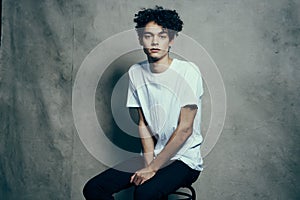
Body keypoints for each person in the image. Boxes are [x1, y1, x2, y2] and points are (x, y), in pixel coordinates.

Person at [83, 5, 204, 200]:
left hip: (184, 160)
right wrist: (149, 164)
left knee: (145, 193)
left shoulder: (188, 72)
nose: (155, 41)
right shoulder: (135, 72)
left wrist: (153, 168)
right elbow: (143, 124)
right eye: (148, 36)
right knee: (94, 188)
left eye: (162, 36)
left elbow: (185, 129)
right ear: (140, 39)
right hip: (153, 155)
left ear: (171, 39)